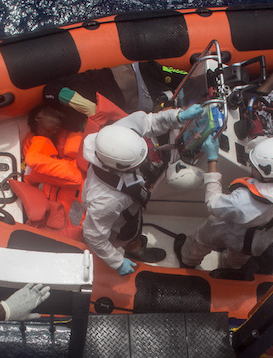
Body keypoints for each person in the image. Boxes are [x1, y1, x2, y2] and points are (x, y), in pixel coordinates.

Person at [81, 104, 204, 275]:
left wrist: (177, 117)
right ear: (120, 167)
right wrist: (116, 262)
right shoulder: (105, 200)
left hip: (130, 204)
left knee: (135, 223)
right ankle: (135, 250)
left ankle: (135, 241)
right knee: (130, 235)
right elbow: (93, 235)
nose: (145, 161)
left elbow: (147, 122)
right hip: (120, 221)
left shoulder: (117, 134)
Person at [175, 135, 273, 271]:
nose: (251, 166)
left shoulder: (243, 201)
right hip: (258, 242)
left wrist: (212, 160)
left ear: (267, 176)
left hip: (225, 230)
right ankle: (228, 269)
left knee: (200, 243)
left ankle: (188, 261)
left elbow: (213, 203)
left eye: (254, 167)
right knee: (237, 261)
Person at [22, 104, 86, 214]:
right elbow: (32, 159)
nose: (59, 122)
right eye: (54, 116)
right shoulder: (39, 140)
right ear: (38, 117)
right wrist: (69, 167)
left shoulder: (40, 139)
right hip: (70, 184)